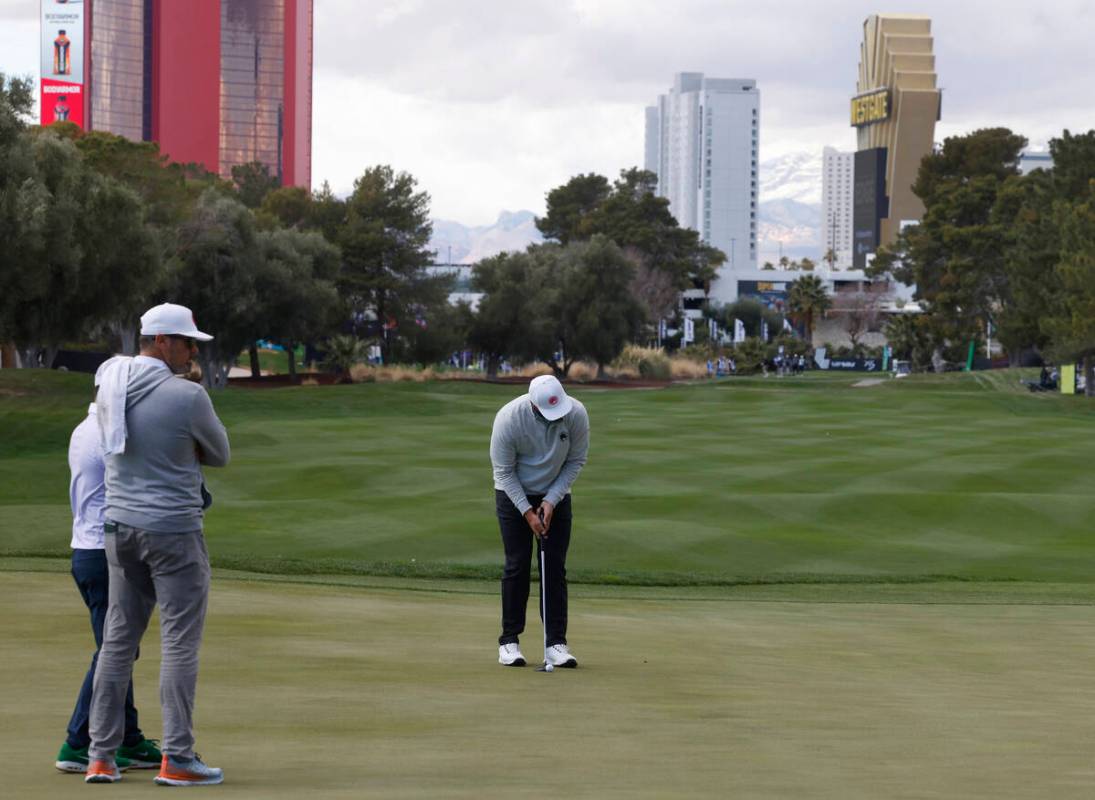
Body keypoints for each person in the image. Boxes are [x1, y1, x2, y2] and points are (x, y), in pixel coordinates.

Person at [84, 303, 230, 786]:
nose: (192, 352)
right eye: (188, 343)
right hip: (173, 531)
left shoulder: (112, 383)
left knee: (118, 640)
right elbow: (221, 454)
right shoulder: (186, 396)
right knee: (179, 642)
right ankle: (178, 758)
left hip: (119, 528)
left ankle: (101, 756)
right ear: (163, 341)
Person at [55, 399, 162, 775]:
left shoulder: (84, 427)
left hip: (87, 549)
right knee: (114, 650)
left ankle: (128, 738)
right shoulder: (110, 433)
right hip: (105, 553)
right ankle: (78, 741)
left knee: (119, 648)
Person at [490, 375, 589, 668]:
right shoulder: (509, 418)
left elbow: (576, 460)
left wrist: (550, 501)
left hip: (555, 493)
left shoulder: (576, 414)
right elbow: (504, 471)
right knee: (517, 565)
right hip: (512, 493)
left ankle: (555, 643)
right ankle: (509, 642)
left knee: (554, 568)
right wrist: (527, 511)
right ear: (533, 405)